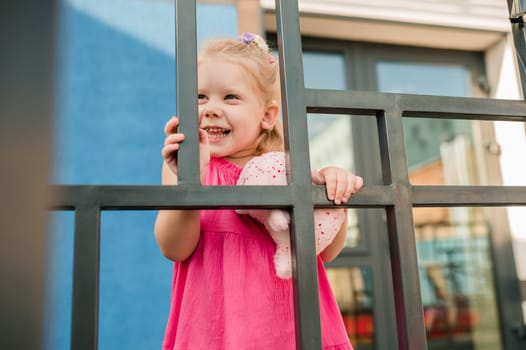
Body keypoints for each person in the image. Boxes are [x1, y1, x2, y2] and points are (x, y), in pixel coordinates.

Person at [154, 32, 363, 350]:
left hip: (293, 330)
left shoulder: (288, 171)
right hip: (216, 332)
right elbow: (174, 248)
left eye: (230, 97)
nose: (210, 109)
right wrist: (190, 182)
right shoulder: (184, 169)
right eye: (199, 97)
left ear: (267, 115)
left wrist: (331, 194)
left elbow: (326, 250)